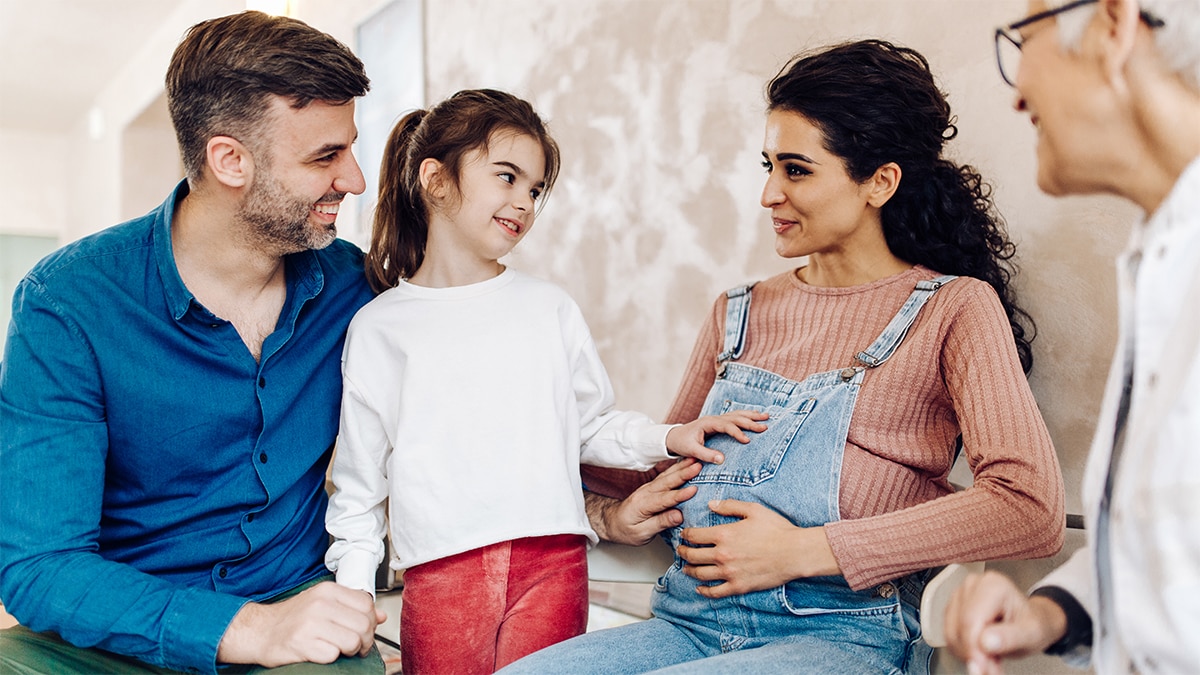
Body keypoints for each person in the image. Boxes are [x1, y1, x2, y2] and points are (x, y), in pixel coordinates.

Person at [500, 39, 1066, 675]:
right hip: (690, 623)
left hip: (846, 635)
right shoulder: (736, 310)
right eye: (767, 165)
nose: (769, 194)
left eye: (796, 170)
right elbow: (668, 474)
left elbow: (1031, 506)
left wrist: (805, 550)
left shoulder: (955, 309)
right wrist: (600, 503)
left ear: (880, 182)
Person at [323, 88, 767, 675]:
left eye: (535, 189)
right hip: (442, 574)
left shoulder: (549, 308)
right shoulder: (380, 327)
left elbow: (586, 426)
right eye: (507, 178)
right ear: (435, 179)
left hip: (556, 566)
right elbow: (358, 484)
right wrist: (354, 594)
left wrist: (669, 437)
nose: (524, 203)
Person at [0, 11, 386, 674]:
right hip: (113, 628)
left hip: (299, 614)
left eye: (348, 148)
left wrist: (598, 505)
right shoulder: (68, 303)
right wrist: (242, 628)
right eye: (325, 156)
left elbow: (458, 414)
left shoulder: (360, 289)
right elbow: (40, 563)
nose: (354, 180)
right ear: (229, 160)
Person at [943, 0, 1200, 672]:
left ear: (1114, 27)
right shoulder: (1165, 257)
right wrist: (1047, 612)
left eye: (1024, 39)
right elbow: (1173, 550)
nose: (1016, 94)